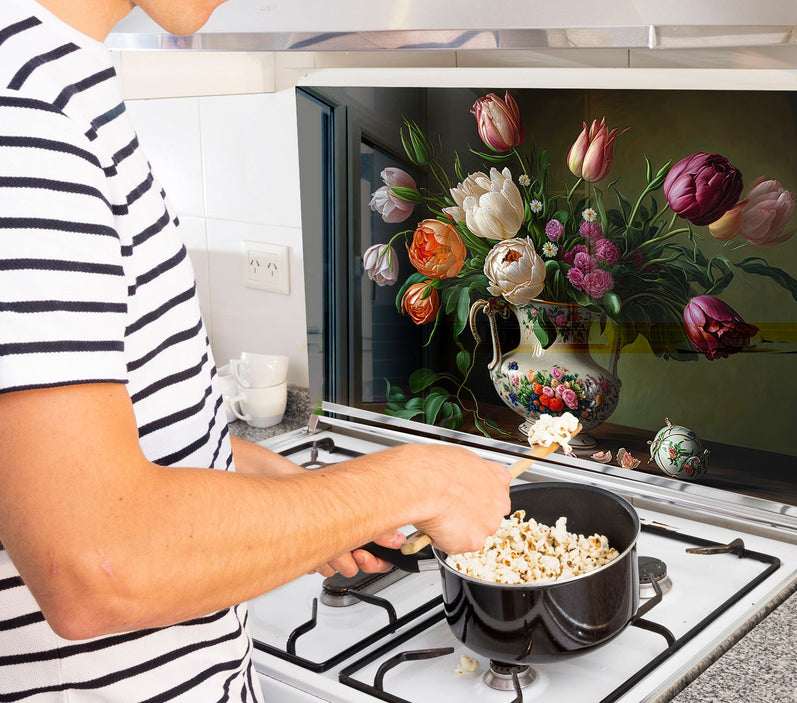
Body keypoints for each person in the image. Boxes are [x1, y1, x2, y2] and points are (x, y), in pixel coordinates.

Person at [0, 0, 512, 699]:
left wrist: (300, 499)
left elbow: (96, 450)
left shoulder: (55, 81)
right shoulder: (24, 116)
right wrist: (418, 480)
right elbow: (95, 562)